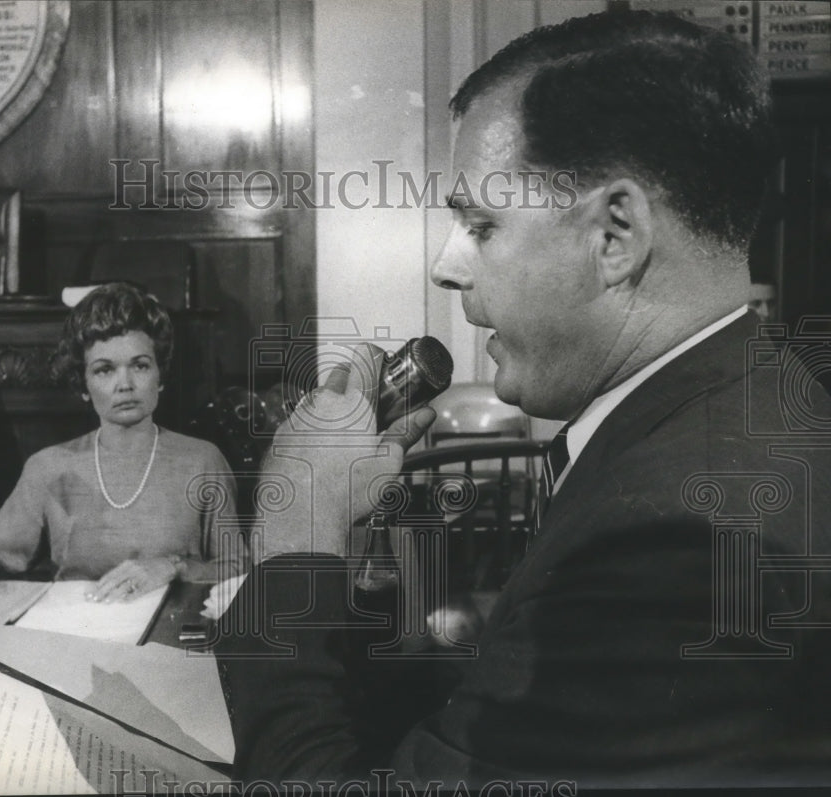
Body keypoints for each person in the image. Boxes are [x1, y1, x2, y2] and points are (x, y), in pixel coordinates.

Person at [214, 10, 831, 791]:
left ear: (615, 235)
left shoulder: (678, 543)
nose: (446, 265)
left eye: (481, 222)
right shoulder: (734, 404)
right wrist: (356, 581)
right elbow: (501, 729)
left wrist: (293, 553)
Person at [0, 282, 244, 606]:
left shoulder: (202, 461)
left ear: (160, 374)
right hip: (72, 634)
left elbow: (236, 568)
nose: (125, 384)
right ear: (82, 385)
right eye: (104, 370)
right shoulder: (48, 466)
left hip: (168, 634)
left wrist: (173, 567)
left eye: (140, 365)